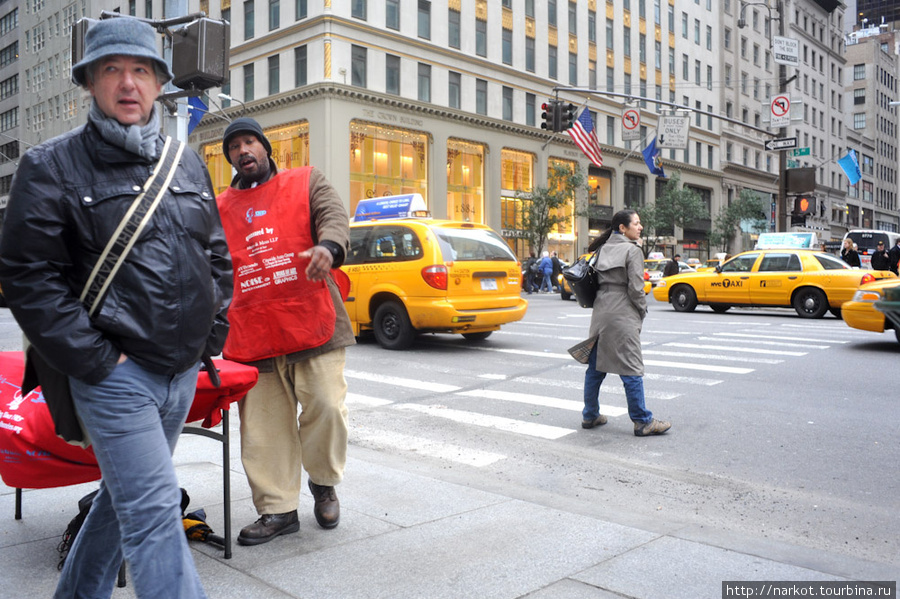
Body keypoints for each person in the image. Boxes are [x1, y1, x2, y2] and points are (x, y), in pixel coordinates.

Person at [0, 17, 232, 599]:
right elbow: (28, 279)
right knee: (155, 514)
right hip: (114, 376)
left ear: (159, 83)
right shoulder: (49, 165)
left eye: (141, 70)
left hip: (181, 373)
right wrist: (101, 362)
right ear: (90, 83)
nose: (128, 83)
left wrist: (211, 335)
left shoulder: (185, 162)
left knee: (123, 498)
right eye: (112, 69)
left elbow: (217, 255)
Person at [216, 117, 354, 546]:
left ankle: (324, 483)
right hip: (251, 333)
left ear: (265, 147)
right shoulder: (217, 207)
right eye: (235, 146)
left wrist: (328, 248)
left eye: (250, 141)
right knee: (262, 429)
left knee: (327, 408)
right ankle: (278, 510)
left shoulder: (306, 180)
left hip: (312, 320)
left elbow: (333, 215)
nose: (243, 150)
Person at [578, 209, 671, 437]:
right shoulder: (632, 250)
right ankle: (642, 421)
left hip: (601, 312)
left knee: (596, 368)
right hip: (622, 312)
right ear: (623, 227)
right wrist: (641, 311)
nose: (640, 227)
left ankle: (590, 415)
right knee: (631, 367)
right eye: (637, 223)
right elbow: (637, 289)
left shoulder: (601, 249)